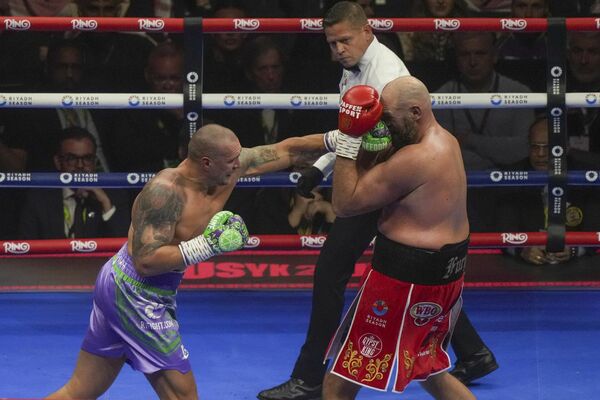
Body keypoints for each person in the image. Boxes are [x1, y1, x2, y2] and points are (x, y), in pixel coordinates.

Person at [46, 124, 327, 399]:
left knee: (79, 392)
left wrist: (340, 139)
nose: (237, 166)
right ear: (206, 163)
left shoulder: (228, 168)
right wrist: (208, 244)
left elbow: (289, 150)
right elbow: (146, 260)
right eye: (231, 161)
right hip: (134, 293)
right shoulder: (165, 192)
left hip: (131, 287)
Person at [257, 2, 410, 399]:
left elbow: (376, 142)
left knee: (331, 272)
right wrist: (323, 167)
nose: (338, 49)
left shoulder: (386, 75)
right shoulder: (354, 68)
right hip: (380, 178)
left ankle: (308, 378)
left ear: (366, 32)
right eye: (331, 42)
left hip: (385, 181)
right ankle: (475, 353)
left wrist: (323, 162)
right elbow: (351, 129)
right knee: (410, 268)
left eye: (344, 40)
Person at [323, 77, 475, 398]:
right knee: (429, 369)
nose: (383, 125)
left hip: (403, 281)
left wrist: (350, 139)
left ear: (416, 112)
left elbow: (345, 204)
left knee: (338, 380)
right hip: (446, 275)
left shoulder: (415, 159)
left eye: (388, 118)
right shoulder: (447, 142)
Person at [496, 117, 600, 264]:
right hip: (524, 270)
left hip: (577, 269)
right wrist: (522, 250)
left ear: (566, 148)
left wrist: (574, 249)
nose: (540, 154)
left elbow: (595, 230)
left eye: (548, 147)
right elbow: (504, 230)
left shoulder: (586, 176)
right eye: (535, 146)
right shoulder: (511, 176)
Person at [18, 127, 130, 239]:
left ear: (95, 162)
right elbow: (26, 249)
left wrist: (105, 203)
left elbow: (126, 249)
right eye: (71, 158)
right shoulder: (38, 200)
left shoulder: (113, 196)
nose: (80, 165)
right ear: (58, 162)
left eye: (87, 158)